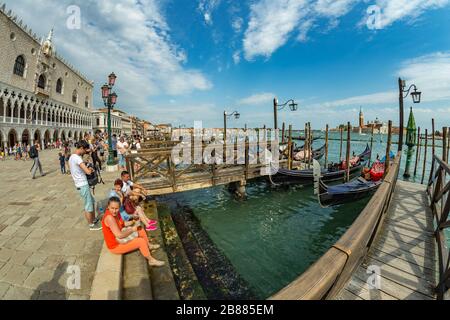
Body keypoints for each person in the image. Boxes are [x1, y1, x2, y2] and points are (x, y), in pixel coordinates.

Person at [101, 197, 164, 267]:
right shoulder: (110, 218)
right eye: (112, 208)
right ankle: (151, 260)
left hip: (119, 238)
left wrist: (133, 221)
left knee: (140, 229)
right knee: (140, 241)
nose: (114, 211)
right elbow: (119, 235)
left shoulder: (116, 214)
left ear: (119, 207)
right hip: (115, 246)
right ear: (108, 207)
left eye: (116, 208)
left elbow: (123, 223)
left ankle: (149, 246)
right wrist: (132, 229)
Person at [69, 140, 101, 231]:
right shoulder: (78, 158)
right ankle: (91, 224)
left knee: (92, 201)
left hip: (79, 183)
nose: (85, 152)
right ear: (81, 148)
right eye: (85, 150)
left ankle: (93, 219)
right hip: (82, 183)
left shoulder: (72, 157)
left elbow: (76, 169)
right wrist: (90, 169)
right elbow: (87, 171)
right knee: (88, 205)